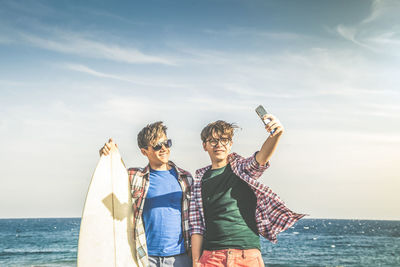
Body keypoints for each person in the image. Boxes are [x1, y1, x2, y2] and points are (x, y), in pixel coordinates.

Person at [189, 114, 305, 267]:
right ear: (205, 145)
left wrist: (276, 134)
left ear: (230, 144)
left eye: (224, 140)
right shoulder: (199, 180)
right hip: (212, 257)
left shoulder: (241, 169)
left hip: (247, 255)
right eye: (213, 140)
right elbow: (196, 226)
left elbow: (261, 158)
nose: (219, 145)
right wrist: (196, 262)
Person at [100, 121, 193, 267]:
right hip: (146, 256)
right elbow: (111, 179)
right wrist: (108, 156)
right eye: (157, 146)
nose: (164, 149)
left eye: (166, 143)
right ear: (144, 151)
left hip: (180, 256)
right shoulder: (135, 176)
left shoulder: (185, 178)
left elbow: (195, 218)